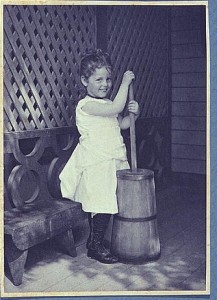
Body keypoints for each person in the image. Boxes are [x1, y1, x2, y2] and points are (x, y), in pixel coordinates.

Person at [59, 49, 139, 264]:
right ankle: (95, 245)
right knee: (101, 202)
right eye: (99, 79)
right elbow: (116, 107)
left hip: (111, 158)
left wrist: (134, 115)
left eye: (108, 79)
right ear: (85, 80)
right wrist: (124, 83)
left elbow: (121, 123)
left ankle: (97, 241)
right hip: (97, 161)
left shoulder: (106, 105)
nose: (105, 84)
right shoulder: (86, 105)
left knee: (108, 201)